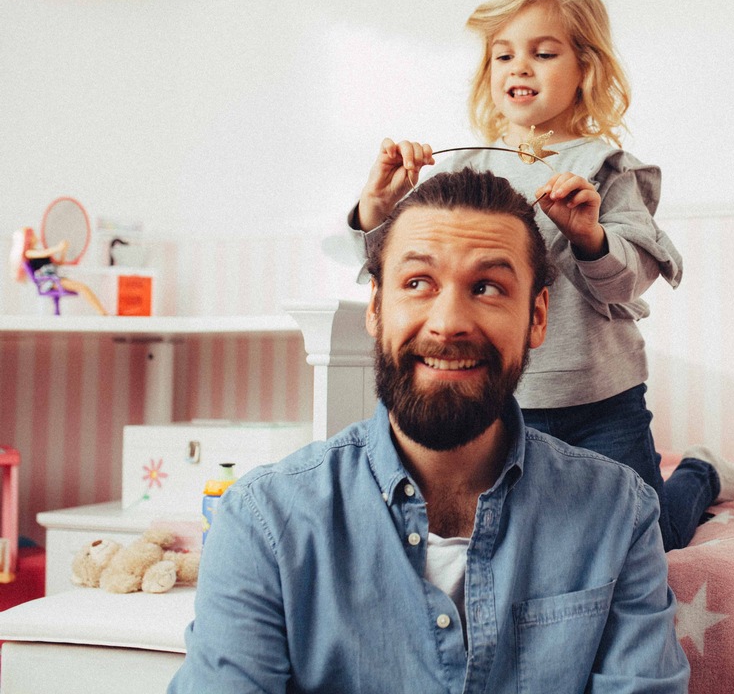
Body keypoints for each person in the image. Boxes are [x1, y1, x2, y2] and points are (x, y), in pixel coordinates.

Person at [170, 168, 689, 693]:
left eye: (487, 287)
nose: (447, 324)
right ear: (375, 307)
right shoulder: (262, 521)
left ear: (536, 316)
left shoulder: (621, 515)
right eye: (417, 283)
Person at [349, 0, 734, 551]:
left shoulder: (607, 167)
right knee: (516, 540)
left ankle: (701, 473)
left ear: (585, 69)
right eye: (504, 55)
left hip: (599, 404)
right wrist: (379, 206)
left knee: (653, 541)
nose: (519, 68)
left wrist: (590, 236)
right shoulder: (460, 172)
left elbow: (629, 280)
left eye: (543, 53)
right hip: (497, 400)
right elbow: (403, 272)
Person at [9, 227, 107, 315]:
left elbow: (59, 263)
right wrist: (58, 248)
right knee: (82, 287)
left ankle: (101, 311)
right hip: (48, 281)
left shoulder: (39, 251)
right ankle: (102, 312)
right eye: (33, 235)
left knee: (83, 287)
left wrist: (63, 250)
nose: (35, 236)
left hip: (55, 278)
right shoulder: (29, 253)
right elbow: (45, 253)